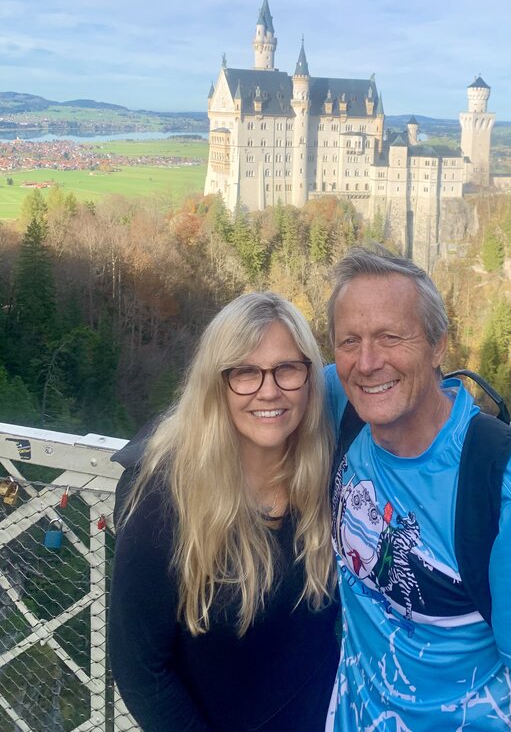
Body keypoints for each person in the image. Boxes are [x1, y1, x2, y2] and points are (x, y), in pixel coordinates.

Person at [324, 247, 511, 732]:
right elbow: (258, 391)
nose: (367, 362)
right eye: (349, 341)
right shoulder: (347, 407)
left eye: (391, 337)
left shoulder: (510, 492)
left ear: (438, 346)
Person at [109, 292, 339, 732]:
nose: (269, 390)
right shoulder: (167, 499)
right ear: (216, 384)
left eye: (287, 369)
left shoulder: (330, 472)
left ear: (310, 378)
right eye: (245, 372)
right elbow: (141, 670)